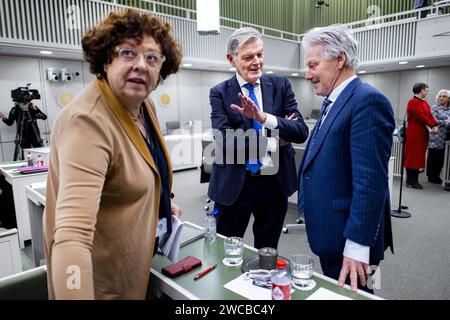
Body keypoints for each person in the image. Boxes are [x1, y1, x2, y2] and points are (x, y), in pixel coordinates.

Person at [43, 9, 183, 299]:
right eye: (128, 53)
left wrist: (160, 205)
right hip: (99, 284)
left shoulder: (144, 107)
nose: (142, 65)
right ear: (106, 59)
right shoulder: (88, 122)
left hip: (136, 265)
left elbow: (142, 170)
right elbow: (71, 237)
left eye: (152, 57)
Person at [298, 24, 395, 292]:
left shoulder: (367, 101)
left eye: (313, 65)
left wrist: (357, 246)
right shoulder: (334, 101)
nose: (308, 75)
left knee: (357, 295)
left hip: (351, 243)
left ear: (340, 59)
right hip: (332, 234)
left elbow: (371, 182)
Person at [208, 27, 308, 249]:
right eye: (248, 57)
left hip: (274, 185)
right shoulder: (220, 93)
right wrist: (274, 140)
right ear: (231, 59)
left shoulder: (281, 86)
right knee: (227, 250)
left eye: (260, 54)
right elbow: (225, 143)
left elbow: (300, 131)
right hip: (234, 185)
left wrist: (265, 119)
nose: (256, 62)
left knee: (268, 251)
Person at [404, 83, 438, 189]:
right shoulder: (413, 101)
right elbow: (420, 115)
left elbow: (429, 115)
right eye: (426, 90)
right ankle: (411, 180)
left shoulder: (424, 102)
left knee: (418, 156)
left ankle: (413, 180)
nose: (427, 92)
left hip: (421, 131)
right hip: (414, 132)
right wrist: (432, 125)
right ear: (421, 90)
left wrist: (435, 124)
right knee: (412, 157)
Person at [427, 90, 450, 184]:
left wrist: (443, 121)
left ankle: (437, 175)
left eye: (444, 96)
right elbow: (433, 120)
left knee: (442, 158)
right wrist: (445, 121)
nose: (441, 98)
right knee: (433, 157)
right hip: (436, 135)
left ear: (448, 99)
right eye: (440, 96)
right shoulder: (434, 107)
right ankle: (431, 177)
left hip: (447, 136)